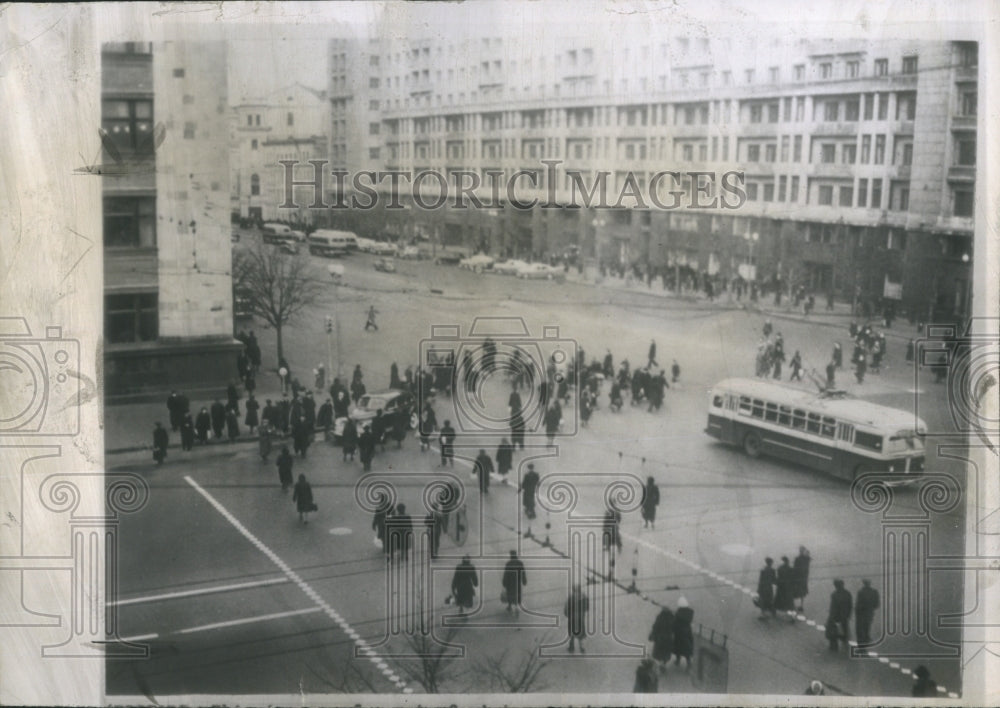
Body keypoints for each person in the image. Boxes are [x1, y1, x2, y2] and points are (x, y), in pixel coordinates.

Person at [826, 579, 853, 650]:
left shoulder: (834, 595)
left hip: (836, 616)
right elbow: (850, 605)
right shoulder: (847, 593)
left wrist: (831, 617)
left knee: (833, 631)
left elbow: (833, 607)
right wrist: (849, 615)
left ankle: (834, 646)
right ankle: (845, 643)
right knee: (844, 630)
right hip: (844, 616)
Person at [565, 584, 590, 653]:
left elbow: (567, 607)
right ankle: (581, 647)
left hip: (572, 617)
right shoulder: (583, 596)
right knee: (580, 632)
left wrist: (567, 614)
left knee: (572, 631)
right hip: (580, 617)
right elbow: (587, 607)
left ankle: (571, 647)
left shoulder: (571, 597)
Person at [855, 579, 880, 646]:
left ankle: (863, 640)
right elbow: (877, 604)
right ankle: (867, 636)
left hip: (862, 612)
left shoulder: (861, 592)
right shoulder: (874, 592)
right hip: (870, 611)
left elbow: (858, 603)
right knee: (867, 624)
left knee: (861, 627)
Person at [648, 607, 674, 672]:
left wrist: (652, 634)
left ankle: (660, 663)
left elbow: (655, 626)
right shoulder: (672, 617)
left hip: (660, 638)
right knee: (666, 652)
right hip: (668, 638)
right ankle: (663, 663)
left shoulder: (660, 617)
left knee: (658, 652)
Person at [501, 549, 526, 615]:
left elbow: (506, 573)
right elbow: (523, 572)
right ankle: (516, 606)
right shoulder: (520, 563)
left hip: (510, 582)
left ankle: (509, 606)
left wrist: (504, 582)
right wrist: (524, 580)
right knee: (517, 593)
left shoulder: (508, 563)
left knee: (510, 594)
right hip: (517, 581)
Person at [672, 597, 694, 669]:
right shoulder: (690, 612)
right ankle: (688, 663)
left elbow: (674, 623)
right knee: (687, 649)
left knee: (678, 648)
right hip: (687, 633)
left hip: (678, 633)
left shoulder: (678, 613)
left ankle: (678, 660)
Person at [774, 556, 796, 620]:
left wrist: (777, 583)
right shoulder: (790, 569)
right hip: (788, 587)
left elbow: (778, 577)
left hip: (781, 587)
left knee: (778, 600)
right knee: (790, 602)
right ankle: (792, 617)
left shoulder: (780, 568)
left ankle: (774, 610)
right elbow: (793, 579)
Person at [792, 546, 811, 612]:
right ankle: (801, 606)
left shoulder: (797, 559)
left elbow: (794, 568)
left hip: (798, 577)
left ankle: (794, 605)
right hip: (804, 578)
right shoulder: (806, 559)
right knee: (802, 592)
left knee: (795, 591)